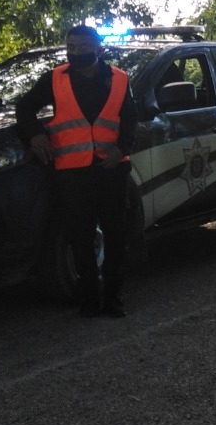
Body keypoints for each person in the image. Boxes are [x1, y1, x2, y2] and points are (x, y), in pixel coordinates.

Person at [16, 25, 138, 318]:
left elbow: (130, 119)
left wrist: (121, 149)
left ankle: (113, 298)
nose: (76, 52)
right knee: (80, 237)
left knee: (115, 235)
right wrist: (35, 135)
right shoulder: (55, 78)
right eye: (71, 47)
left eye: (83, 47)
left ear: (98, 49)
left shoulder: (119, 79)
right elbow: (24, 108)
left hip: (111, 169)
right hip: (72, 172)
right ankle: (89, 300)